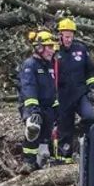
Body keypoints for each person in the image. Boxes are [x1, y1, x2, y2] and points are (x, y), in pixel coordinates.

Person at [54, 17, 94, 162]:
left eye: (71, 37)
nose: (68, 40)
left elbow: (90, 70)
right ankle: (64, 158)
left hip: (80, 93)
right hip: (62, 96)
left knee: (89, 117)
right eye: (66, 37)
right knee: (65, 128)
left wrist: (92, 85)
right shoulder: (54, 53)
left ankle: (85, 144)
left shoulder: (80, 49)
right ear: (60, 35)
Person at [17, 30, 59, 173]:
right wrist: (33, 109)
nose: (52, 51)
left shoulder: (49, 65)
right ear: (39, 48)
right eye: (49, 47)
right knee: (34, 126)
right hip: (32, 106)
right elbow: (29, 87)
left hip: (48, 106)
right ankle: (28, 162)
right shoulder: (30, 65)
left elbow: (52, 88)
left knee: (48, 134)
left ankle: (42, 162)